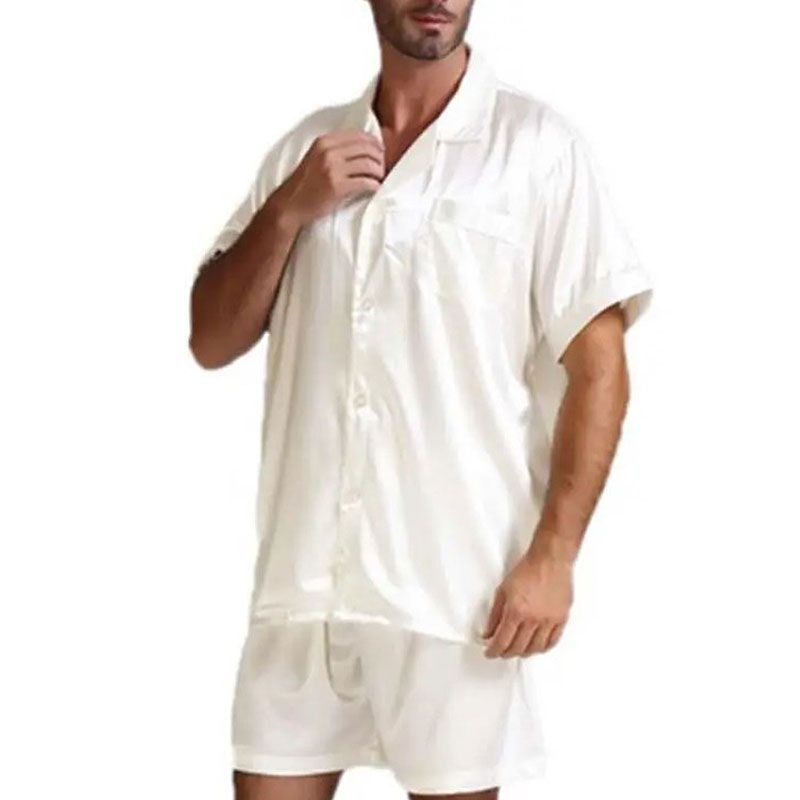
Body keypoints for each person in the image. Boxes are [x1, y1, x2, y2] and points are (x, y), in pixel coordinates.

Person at [189, 2, 654, 798]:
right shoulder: (306, 150)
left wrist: (553, 556)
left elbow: (600, 367)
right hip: (302, 588)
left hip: (452, 594)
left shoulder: (538, 149)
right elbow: (211, 338)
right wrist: (291, 208)